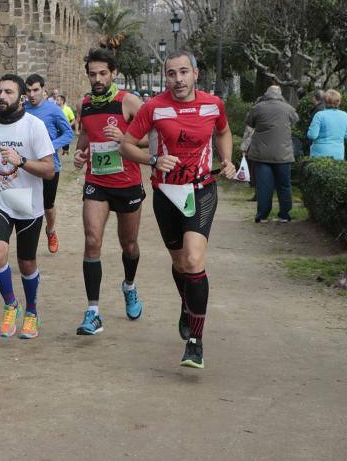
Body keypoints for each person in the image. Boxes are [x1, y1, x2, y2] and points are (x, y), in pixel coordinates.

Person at [119, 50, 236, 369]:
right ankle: (187, 302)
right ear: (165, 77)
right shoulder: (154, 108)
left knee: (194, 258)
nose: (178, 79)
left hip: (201, 189)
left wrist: (226, 160)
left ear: (196, 74)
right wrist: (153, 160)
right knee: (180, 263)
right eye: (171, 73)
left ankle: (195, 342)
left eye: (184, 72)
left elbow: (223, 131)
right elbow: (126, 145)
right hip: (166, 193)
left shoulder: (214, 104)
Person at [0, 74, 55, 339]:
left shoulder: (34, 126)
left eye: (8, 92)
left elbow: (49, 169)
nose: (1, 97)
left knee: (26, 261)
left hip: (29, 204)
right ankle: (11, 304)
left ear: (21, 98)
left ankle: (31, 311)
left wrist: (21, 161)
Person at [73, 48, 146, 336]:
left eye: (103, 73)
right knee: (92, 241)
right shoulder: (86, 103)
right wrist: (79, 155)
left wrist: (126, 140)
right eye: (93, 74)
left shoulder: (128, 102)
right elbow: (85, 136)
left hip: (127, 183)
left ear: (113, 73)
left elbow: (154, 140)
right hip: (97, 182)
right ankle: (93, 311)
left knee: (129, 244)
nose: (98, 78)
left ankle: (129, 285)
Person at [24, 74, 74, 253]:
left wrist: (49, 146)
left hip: (50, 166)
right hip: (27, 165)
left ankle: (51, 230)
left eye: (35, 90)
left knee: (48, 205)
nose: (32, 94)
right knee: (26, 204)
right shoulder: (22, 109)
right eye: (28, 90)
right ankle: (28, 240)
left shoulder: (53, 110)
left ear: (44, 90)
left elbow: (69, 134)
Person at [245, 85, 298, 223]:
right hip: (283, 155)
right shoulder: (288, 108)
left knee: (264, 186)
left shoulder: (258, 107)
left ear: (266, 94)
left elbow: (249, 122)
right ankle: (284, 215)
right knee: (284, 185)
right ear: (280, 94)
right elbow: (295, 121)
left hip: (261, 155)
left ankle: (262, 215)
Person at [308, 89, 347, 160]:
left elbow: (312, 135)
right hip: (338, 152)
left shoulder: (319, 115)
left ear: (324, 101)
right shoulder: (345, 115)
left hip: (320, 153)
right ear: (338, 102)